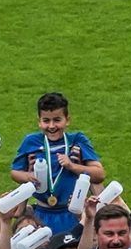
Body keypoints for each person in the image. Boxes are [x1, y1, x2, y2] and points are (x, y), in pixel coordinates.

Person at [11, 92, 104, 235]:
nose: (51, 126)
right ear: (39, 121)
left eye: (57, 120)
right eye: (46, 120)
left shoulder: (77, 140)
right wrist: (28, 176)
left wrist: (72, 166)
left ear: (67, 120)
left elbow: (99, 174)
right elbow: (15, 173)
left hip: (73, 212)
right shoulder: (30, 142)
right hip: (41, 214)